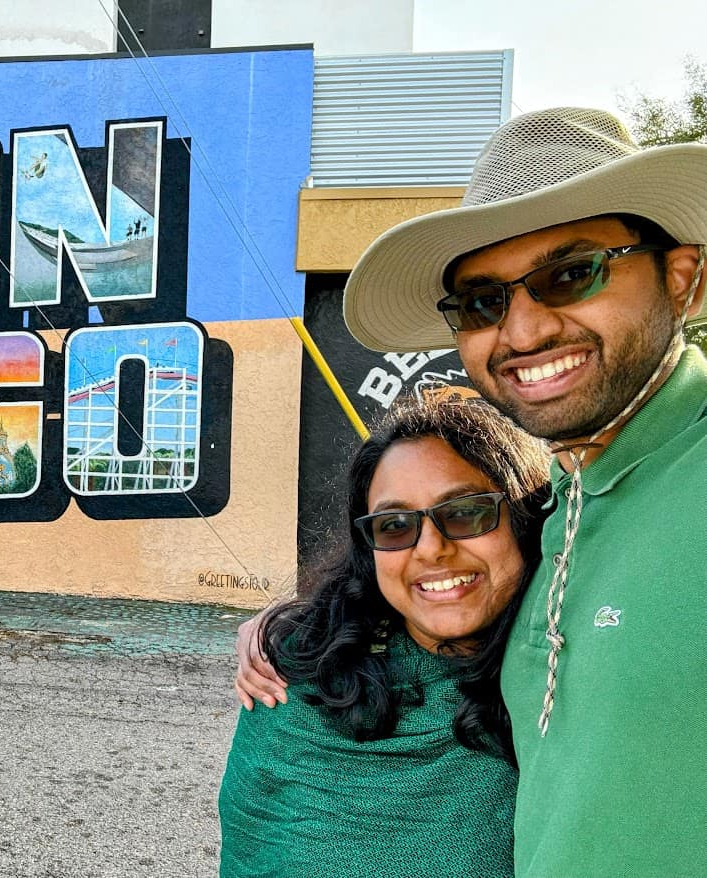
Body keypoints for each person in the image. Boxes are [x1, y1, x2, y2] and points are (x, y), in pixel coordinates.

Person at [236, 108, 706, 877]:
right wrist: (287, 625)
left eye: (569, 274)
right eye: (484, 301)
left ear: (680, 277)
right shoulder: (559, 510)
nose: (522, 333)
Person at [219, 396, 550, 877]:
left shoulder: (564, 675)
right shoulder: (298, 677)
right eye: (395, 526)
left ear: (523, 519)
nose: (432, 549)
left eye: (465, 512)